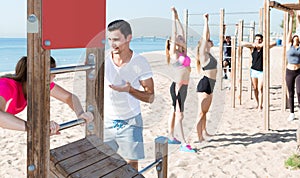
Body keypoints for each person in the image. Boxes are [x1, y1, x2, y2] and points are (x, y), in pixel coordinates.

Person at [104, 19, 155, 170]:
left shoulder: (140, 62)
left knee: (131, 168)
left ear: (128, 38)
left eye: (117, 40)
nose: (113, 44)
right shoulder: (103, 60)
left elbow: (150, 97)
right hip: (106, 122)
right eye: (110, 40)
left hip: (130, 123)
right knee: (103, 165)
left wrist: (130, 90)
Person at [0, 56, 94, 135]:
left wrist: (80, 113)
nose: (55, 76)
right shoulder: (6, 86)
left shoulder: (40, 84)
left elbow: (69, 97)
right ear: (35, 74)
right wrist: (36, 128)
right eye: (52, 73)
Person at [165, 7, 195, 153]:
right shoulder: (174, 53)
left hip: (184, 87)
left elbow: (182, 32)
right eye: (179, 39)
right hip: (177, 87)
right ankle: (184, 143)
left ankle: (171, 136)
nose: (181, 38)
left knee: (173, 110)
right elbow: (175, 33)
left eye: (182, 39)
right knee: (180, 114)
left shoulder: (184, 52)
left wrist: (178, 19)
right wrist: (173, 17)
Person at [196, 13, 218, 142]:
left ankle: (204, 131)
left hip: (211, 85)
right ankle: (199, 137)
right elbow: (205, 36)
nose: (210, 40)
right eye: (209, 41)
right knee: (200, 113)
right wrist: (206, 21)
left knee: (205, 113)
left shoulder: (209, 54)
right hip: (204, 85)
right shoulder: (203, 54)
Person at [241, 34, 276, 111]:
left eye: (260, 39)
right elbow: (242, 43)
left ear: (262, 40)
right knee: (255, 88)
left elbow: (274, 43)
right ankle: (258, 103)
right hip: (253, 70)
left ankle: (260, 106)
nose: (258, 41)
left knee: (260, 88)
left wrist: (262, 44)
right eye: (257, 39)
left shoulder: (265, 47)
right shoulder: (252, 48)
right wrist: (253, 44)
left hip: (262, 71)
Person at [286, 10, 300, 121]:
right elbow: (290, 31)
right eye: (294, 36)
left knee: (299, 91)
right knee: (290, 92)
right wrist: (292, 18)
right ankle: (291, 113)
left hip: (299, 71)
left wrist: (298, 18)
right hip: (290, 71)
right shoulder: (289, 46)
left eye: (297, 36)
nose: (296, 37)